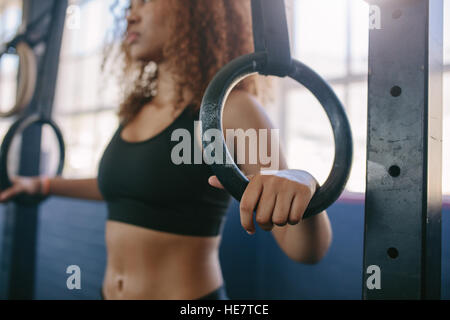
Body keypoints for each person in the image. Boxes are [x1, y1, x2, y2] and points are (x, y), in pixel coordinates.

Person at [0, 0, 332, 300]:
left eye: (144, 1)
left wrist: (302, 184)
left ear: (195, 10)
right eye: (129, 6)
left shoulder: (231, 110)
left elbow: (306, 250)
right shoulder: (136, 111)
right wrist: (42, 185)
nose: (130, 14)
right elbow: (124, 188)